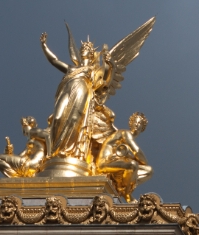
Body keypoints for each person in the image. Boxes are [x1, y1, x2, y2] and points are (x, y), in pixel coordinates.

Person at [40, 31, 112, 161]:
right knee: (58, 117)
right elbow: (54, 61)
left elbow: (105, 79)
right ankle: (55, 150)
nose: (83, 50)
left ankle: (69, 152)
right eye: (82, 48)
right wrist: (44, 46)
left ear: (91, 54)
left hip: (82, 90)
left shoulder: (93, 70)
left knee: (75, 119)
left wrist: (108, 64)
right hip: (67, 90)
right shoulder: (72, 68)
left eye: (87, 49)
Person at [95, 112, 153, 201]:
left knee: (148, 171)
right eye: (136, 122)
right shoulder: (125, 133)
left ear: (142, 129)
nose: (137, 125)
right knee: (132, 165)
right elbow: (137, 151)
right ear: (131, 123)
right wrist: (140, 161)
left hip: (116, 165)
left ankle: (122, 186)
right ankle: (126, 193)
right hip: (104, 163)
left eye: (139, 124)